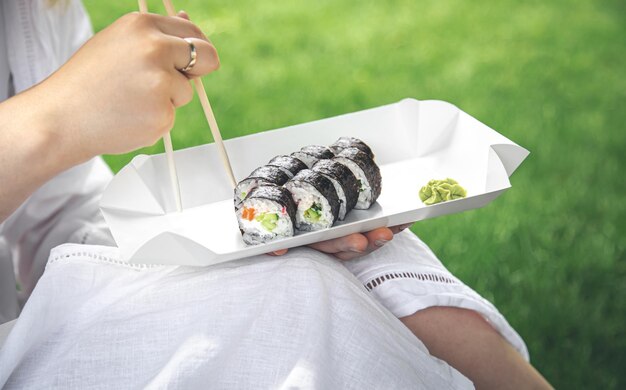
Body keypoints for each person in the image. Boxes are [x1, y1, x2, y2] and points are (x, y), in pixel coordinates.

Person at [0, 1, 552, 388]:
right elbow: (50, 139)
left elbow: (56, 214)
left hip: (46, 306)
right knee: (298, 289)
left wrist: (227, 247)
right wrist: (50, 120)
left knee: (374, 260)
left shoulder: (37, 8)